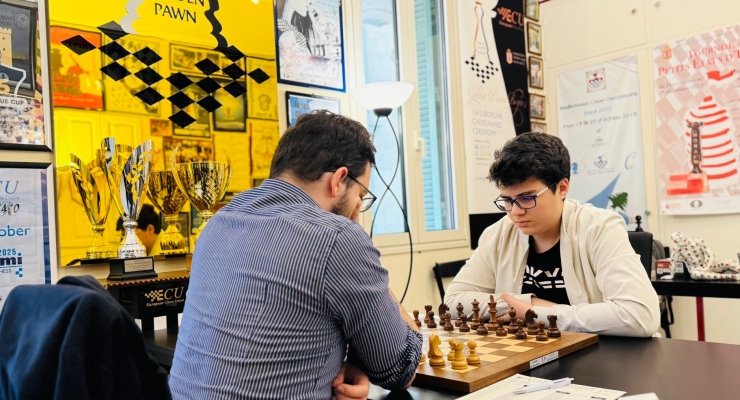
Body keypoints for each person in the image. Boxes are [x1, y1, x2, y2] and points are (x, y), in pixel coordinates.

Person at [169, 111, 423, 399]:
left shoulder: (218, 223)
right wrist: (366, 268)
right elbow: (400, 368)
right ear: (339, 179)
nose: (358, 209)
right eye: (361, 196)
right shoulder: (338, 237)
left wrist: (340, 364)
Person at [445, 132, 660, 337]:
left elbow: (639, 316)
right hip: (528, 351)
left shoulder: (599, 228)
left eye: (527, 198)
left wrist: (535, 313)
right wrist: (528, 304)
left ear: (562, 188)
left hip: (600, 353)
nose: (515, 212)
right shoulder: (499, 234)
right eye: (507, 200)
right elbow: (453, 301)